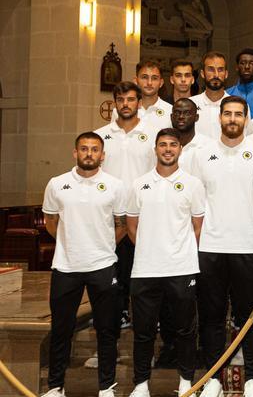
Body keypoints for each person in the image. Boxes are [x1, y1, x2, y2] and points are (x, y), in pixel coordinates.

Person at [188, 96, 253, 397]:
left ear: (247, 119)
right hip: (211, 246)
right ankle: (213, 378)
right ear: (219, 117)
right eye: (228, 114)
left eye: (238, 114)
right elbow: (192, 201)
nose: (233, 119)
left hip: (248, 244)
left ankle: (252, 379)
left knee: (249, 316)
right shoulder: (201, 153)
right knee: (212, 316)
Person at [41, 133, 127, 397]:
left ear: (102, 155)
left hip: (103, 265)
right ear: (75, 153)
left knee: (107, 330)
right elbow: (50, 221)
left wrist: (101, 246)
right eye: (84, 149)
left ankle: (106, 386)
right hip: (66, 267)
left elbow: (122, 225)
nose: (89, 153)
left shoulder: (115, 185)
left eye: (94, 150)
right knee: (61, 330)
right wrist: (71, 242)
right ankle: (56, 387)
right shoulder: (57, 184)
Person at [126, 128, 206, 397]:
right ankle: (140, 384)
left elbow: (198, 227)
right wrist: (153, 249)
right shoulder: (139, 184)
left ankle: (186, 381)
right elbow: (132, 228)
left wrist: (176, 251)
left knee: (185, 330)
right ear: (156, 149)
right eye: (163, 145)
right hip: (145, 269)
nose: (168, 149)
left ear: (180, 149)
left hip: (182, 268)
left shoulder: (193, 184)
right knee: (144, 332)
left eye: (173, 144)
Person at [95, 81, 157, 331]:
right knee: (113, 271)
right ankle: (116, 315)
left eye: (131, 99)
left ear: (139, 103)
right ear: (115, 103)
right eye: (121, 100)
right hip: (111, 215)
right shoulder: (101, 135)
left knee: (141, 272)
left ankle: (145, 320)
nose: (126, 104)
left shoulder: (153, 134)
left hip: (144, 215)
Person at [112, 61, 172, 134]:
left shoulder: (170, 111)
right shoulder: (120, 111)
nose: (149, 83)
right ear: (136, 81)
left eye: (154, 78)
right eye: (144, 77)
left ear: (161, 83)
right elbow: (114, 139)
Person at [191, 51, 230, 140]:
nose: (216, 75)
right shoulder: (191, 104)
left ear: (226, 74)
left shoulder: (238, 106)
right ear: (202, 73)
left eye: (220, 70)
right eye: (211, 69)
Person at [227, 48, 253, 116]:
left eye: (252, 63)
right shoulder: (227, 94)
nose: (247, 67)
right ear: (237, 67)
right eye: (243, 63)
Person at [173, 98, 212, 173]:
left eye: (187, 113)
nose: (181, 117)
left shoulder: (209, 146)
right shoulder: (162, 146)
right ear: (171, 117)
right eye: (177, 113)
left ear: (196, 117)